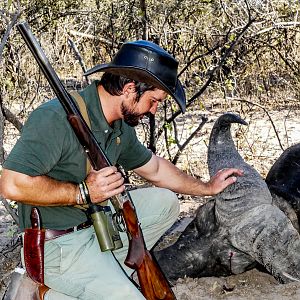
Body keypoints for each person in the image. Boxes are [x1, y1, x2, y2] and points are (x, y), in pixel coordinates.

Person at [0, 40, 242, 300]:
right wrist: (82, 192)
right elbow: (11, 184)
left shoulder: (119, 124)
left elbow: (156, 168)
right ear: (129, 90)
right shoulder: (54, 118)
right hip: (58, 247)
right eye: (153, 100)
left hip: (97, 225)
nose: (154, 110)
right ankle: (53, 288)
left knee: (166, 203)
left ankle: (77, 286)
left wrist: (206, 187)